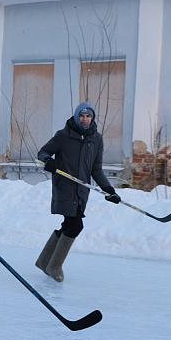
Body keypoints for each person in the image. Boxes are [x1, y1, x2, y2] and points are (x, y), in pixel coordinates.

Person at [35, 102, 121, 282]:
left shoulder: (96, 139)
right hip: (65, 186)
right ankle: (54, 266)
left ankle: (44, 262)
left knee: (68, 224)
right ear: (76, 116)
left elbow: (96, 169)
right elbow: (42, 153)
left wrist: (108, 189)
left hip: (82, 190)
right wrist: (48, 162)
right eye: (81, 116)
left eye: (88, 116)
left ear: (92, 118)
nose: (84, 119)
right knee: (75, 225)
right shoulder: (64, 135)